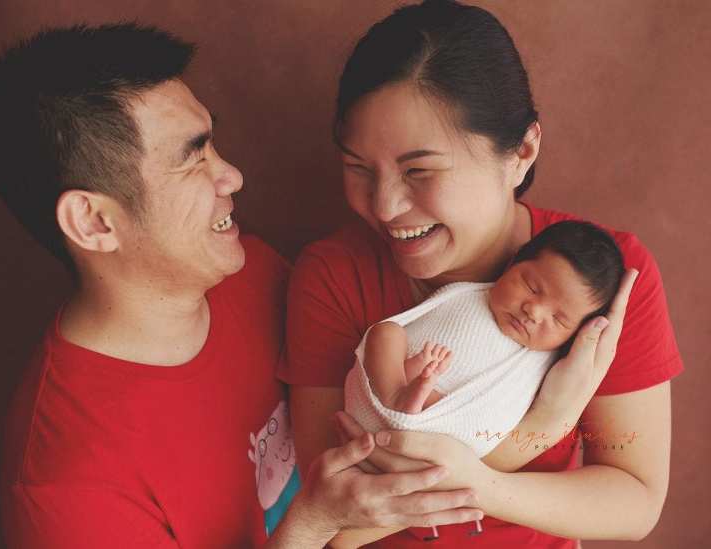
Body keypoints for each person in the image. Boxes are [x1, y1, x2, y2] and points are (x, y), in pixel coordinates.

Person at [0, 23, 484, 549]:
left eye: (212, 144)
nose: (232, 176)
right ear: (94, 222)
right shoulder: (65, 486)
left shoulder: (251, 271)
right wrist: (311, 525)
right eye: (192, 158)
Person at [279, 1, 683, 547]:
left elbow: (632, 501)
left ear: (522, 150)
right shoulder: (333, 277)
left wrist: (484, 484)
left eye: (419, 171)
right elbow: (338, 531)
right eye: (357, 168)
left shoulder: (600, 282)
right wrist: (543, 426)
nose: (385, 206)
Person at [350, 221, 625, 460]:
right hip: (382, 385)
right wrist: (405, 370)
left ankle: (416, 400)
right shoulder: (472, 294)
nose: (534, 311)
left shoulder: (536, 363)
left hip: (440, 425)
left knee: (470, 421)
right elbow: (414, 323)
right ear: (514, 262)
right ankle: (397, 392)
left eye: (559, 319)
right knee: (386, 332)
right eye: (531, 286)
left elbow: (496, 419)